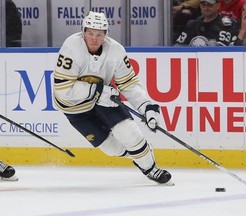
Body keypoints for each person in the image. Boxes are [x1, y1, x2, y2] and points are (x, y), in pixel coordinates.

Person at [53, 11, 172, 184]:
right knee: (111, 148)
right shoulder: (71, 47)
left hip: (103, 98)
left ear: (106, 35)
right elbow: (63, 89)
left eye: (99, 34)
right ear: (83, 31)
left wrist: (146, 106)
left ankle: (150, 168)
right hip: (74, 107)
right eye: (90, 33)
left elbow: (129, 83)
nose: (94, 38)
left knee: (129, 132)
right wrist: (98, 90)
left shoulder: (116, 50)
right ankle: (137, 154)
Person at [175, 0, 239, 46]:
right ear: (200, 6)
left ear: (218, 5)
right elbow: (178, 46)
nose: (206, 8)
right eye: (203, 5)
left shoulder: (226, 24)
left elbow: (229, 49)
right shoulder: (192, 24)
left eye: (210, 5)